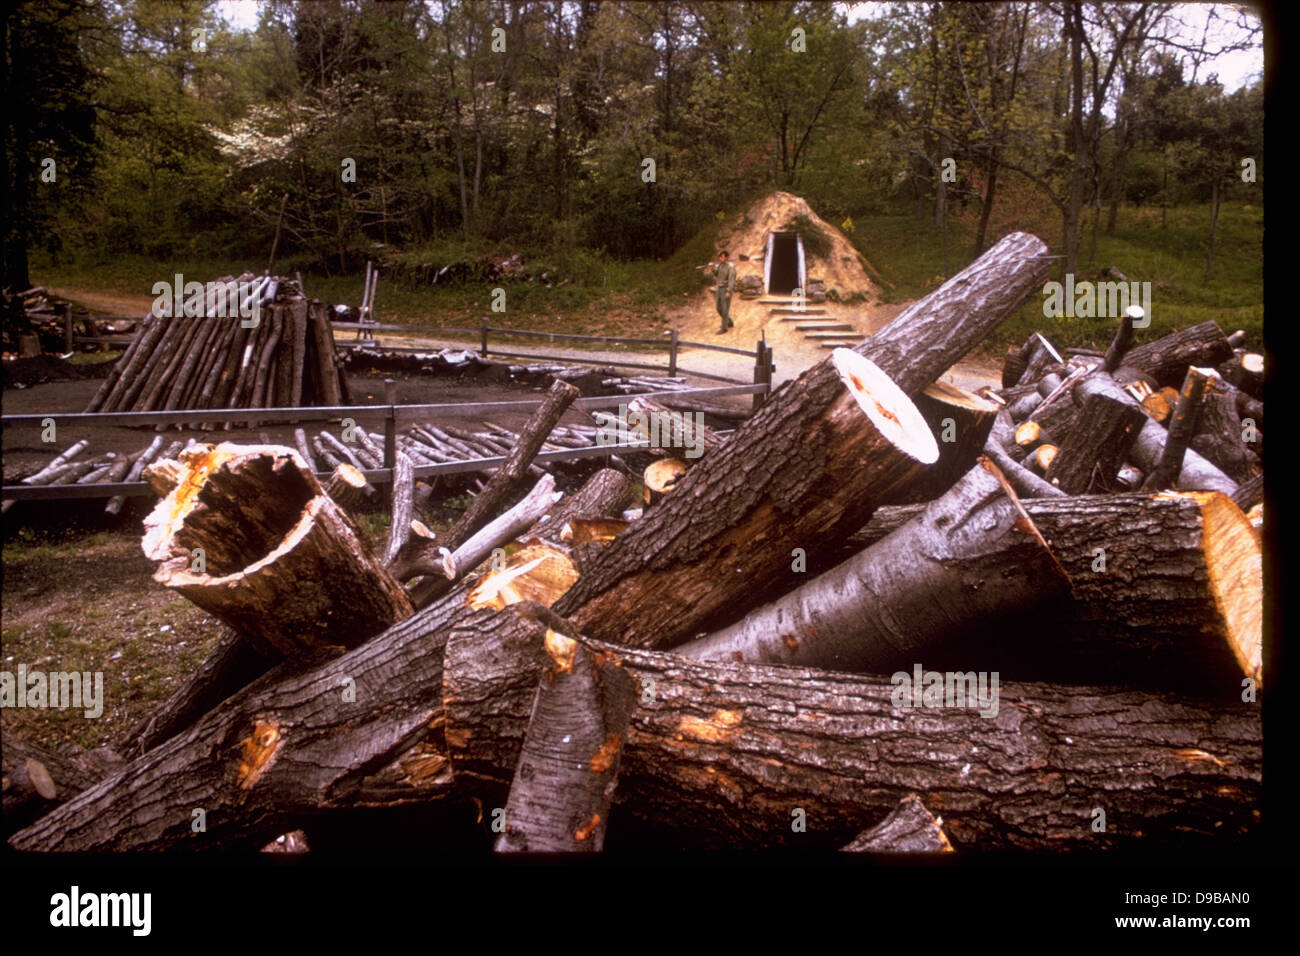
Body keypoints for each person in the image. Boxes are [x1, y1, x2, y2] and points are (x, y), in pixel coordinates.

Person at [708, 251, 737, 334]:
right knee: (718, 308)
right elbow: (717, 274)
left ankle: (724, 328)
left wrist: (728, 291)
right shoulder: (720, 265)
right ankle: (729, 321)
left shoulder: (731, 267)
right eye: (720, 257)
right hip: (719, 289)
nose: (721, 258)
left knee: (725, 309)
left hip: (726, 289)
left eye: (723, 257)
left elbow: (731, 280)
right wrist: (712, 268)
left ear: (727, 257)